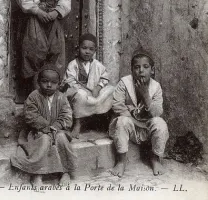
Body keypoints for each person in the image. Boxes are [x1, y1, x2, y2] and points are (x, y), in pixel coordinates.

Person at [10, 64, 76, 186]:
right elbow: (31, 115)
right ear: (38, 82)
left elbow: (67, 115)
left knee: (61, 138)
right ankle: (37, 174)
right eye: (45, 81)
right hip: (37, 131)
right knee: (44, 140)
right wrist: (45, 127)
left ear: (59, 83)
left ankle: (65, 171)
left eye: (53, 82)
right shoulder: (33, 96)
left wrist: (56, 126)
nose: (49, 85)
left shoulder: (62, 98)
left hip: (57, 131)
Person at [109, 48, 169, 177]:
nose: (141, 71)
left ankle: (155, 158)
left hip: (146, 129)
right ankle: (121, 160)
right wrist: (133, 118)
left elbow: (157, 112)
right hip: (129, 127)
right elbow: (117, 105)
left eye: (145, 67)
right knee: (122, 121)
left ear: (152, 70)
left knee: (160, 123)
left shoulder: (155, 86)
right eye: (136, 67)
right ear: (132, 70)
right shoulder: (124, 83)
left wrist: (146, 95)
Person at [63, 33, 114, 138]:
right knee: (79, 95)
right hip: (80, 93)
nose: (87, 51)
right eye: (84, 48)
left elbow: (104, 77)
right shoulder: (73, 64)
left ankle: (109, 124)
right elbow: (70, 80)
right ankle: (78, 124)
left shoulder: (97, 65)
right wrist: (82, 89)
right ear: (78, 48)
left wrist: (98, 87)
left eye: (91, 49)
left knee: (111, 90)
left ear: (95, 51)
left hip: (94, 93)